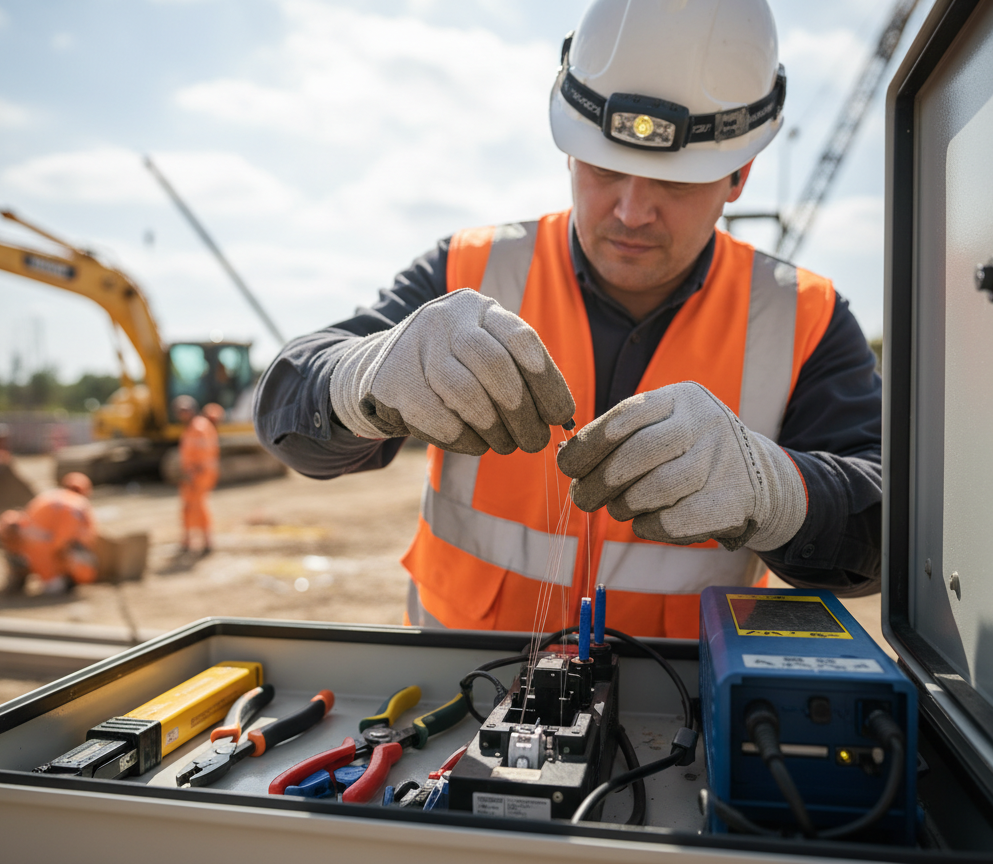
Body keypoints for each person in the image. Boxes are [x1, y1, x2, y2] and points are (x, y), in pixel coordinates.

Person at [253, 0, 881, 638]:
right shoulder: (470, 268)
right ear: (569, 152)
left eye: (676, 183)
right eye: (607, 168)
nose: (633, 212)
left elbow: (887, 529)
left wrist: (778, 492)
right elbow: (286, 405)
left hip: (680, 717)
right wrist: (364, 378)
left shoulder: (805, 316)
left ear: (738, 175)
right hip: (462, 701)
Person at [0, 472, 98, 593]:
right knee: (61, 583)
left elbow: (25, 520)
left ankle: (21, 574)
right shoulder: (80, 504)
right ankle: (64, 578)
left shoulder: (48, 495)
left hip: (27, 546)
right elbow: (81, 537)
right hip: (47, 551)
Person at [175, 394, 220, 553]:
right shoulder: (190, 428)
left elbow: (205, 453)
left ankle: (207, 542)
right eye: (180, 410)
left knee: (199, 506)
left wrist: (194, 473)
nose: (182, 413)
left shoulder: (199, 428)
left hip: (200, 474)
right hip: (191, 474)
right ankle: (187, 540)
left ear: (193, 409)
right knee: (187, 507)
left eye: (185, 410)